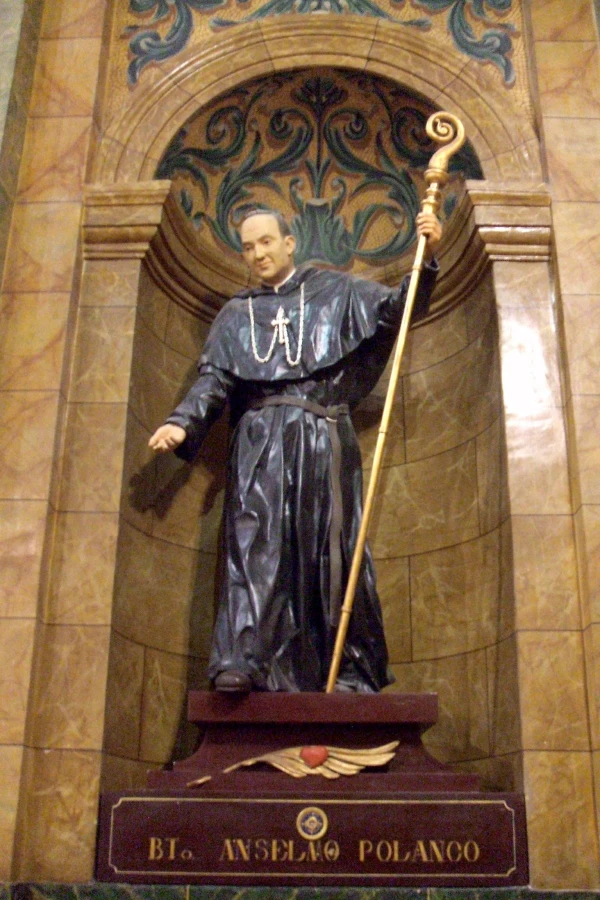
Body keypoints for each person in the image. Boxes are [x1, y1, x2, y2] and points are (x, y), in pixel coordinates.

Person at [149, 208, 442, 693]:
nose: (258, 254)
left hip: (323, 436)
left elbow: (397, 310)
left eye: (266, 242)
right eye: (247, 247)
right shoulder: (235, 314)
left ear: (289, 243)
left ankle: (351, 667)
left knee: (332, 548)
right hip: (259, 442)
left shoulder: (335, 290)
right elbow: (214, 379)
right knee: (254, 543)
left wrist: (426, 257)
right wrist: (182, 423)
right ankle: (245, 659)